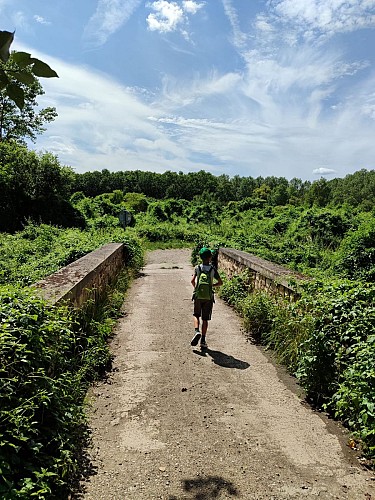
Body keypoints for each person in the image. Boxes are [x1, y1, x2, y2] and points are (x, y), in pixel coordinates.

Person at [191, 247, 223, 349]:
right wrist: (211, 286)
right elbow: (220, 283)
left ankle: (197, 331)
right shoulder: (213, 269)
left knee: (196, 315)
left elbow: (192, 281)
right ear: (210, 257)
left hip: (198, 296)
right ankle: (203, 340)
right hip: (208, 297)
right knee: (205, 319)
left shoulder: (198, 268)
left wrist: (197, 289)